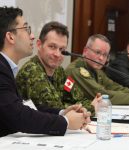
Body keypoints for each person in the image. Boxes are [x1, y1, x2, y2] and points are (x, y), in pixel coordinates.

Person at [0, 6, 91, 137]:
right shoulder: (13, 70)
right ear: (11, 37)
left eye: (62, 49)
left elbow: (25, 107)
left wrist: (62, 112)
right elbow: (18, 115)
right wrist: (66, 121)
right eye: (26, 29)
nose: (31, 35)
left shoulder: (7, 68)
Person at [16, 21, 99, 114]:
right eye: (52, 47)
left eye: (62, 49)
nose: (57, 54)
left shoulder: (59, 72)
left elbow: (81, 98)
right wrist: (91, 108)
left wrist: (78, 107)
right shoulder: (31, 71)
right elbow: (56, 112)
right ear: (39, 45)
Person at [65, 34, 129, 105]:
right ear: (85, 51)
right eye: (97, 52)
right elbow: (102, 95)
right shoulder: (76, 70)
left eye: (105, 55)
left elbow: (115, 87)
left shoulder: (97, 70)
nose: (101, 58)